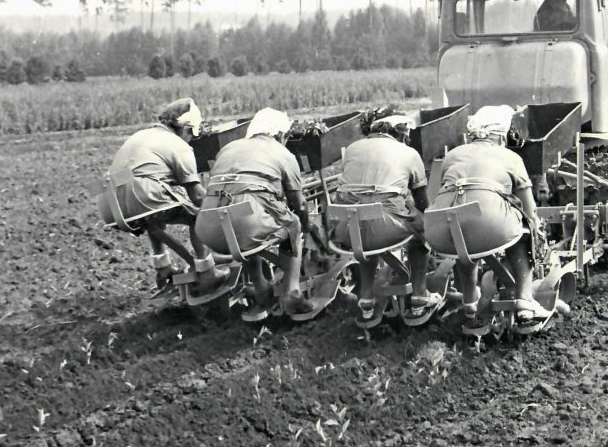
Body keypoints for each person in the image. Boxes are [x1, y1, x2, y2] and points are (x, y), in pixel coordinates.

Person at [423, 105, 549, 331]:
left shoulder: (452, 155)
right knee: (524, 230)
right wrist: (537, 229)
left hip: (439, 231)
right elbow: (530, 210)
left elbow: (439, 193)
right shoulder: (509, 157)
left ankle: (469, 302)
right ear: (501, 134)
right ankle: (524, 300)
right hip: (489, 226)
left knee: (461, 235)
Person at [98, 97, 228, 292]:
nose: (191, 139)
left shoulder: (142, 134)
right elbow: (198, 196)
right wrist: (222, 209)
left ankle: (163, 268)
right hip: (139, 193)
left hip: (106, 200)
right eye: (192, 134)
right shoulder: (178, 145)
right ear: (185, 129)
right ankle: (207, 271)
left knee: (153, 218)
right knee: (196, 217)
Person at [196, 108, 313, 320]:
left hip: (208, 228)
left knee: (248, 231)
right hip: (247, 222)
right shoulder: (283, 153)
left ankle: (260, 287)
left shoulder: (228, 148)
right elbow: (299, 203)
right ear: (278, 134)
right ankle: (293, 290)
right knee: (293, 223)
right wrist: (307, 227)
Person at [329, 114, 442, 325]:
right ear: (400, 133)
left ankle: (366, 298)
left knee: (361, 226)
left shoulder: (353, 148)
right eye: (406, 136)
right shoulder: (409, 153)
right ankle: (419, 295)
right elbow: (422, 203)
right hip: (385, 225)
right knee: (421, 226)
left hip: (345, 229)